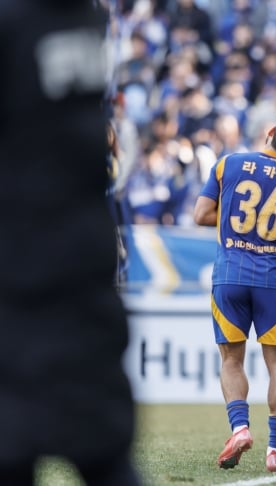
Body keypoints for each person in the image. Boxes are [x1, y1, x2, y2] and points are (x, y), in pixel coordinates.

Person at [0, 1, 141, 485]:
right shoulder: (83, 16)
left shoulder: (17, 22)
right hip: (83, 263)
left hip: (21, 272)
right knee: (104, 455)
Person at [193, 107, 276, 473]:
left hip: (229, 276)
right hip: (273, 282)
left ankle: (239, 428)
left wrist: (238, 223)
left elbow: (201, 214)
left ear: (271, 131)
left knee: (231, 359)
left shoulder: (229, 163)